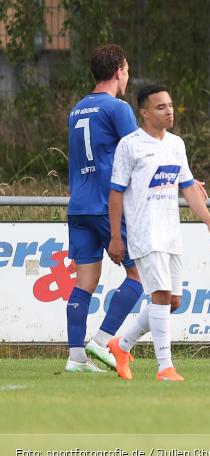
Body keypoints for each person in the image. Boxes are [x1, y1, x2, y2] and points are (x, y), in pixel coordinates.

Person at [106, 84, 210, 382]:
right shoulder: (130, 145)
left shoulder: (176, 144)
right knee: (159, 295)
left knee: (172, 301)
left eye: (170, 105)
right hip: (145, 234)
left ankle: (122, 345)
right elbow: (116, 193)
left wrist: (209, 220)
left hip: (171, 233)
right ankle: (164, 367)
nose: (168, 110)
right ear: (144, 113)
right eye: (160, 107)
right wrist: (116, 237)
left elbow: (188, 186)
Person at [64, 44, 144, 373]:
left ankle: (75, 358)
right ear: (118, 72)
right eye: (126, 70)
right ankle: (101, 341)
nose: (127, 76)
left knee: (85, 281)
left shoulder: (77, 109)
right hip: (106, 204)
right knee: (139, 276)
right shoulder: (118, 108)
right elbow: (142, 154)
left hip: (79, 207)